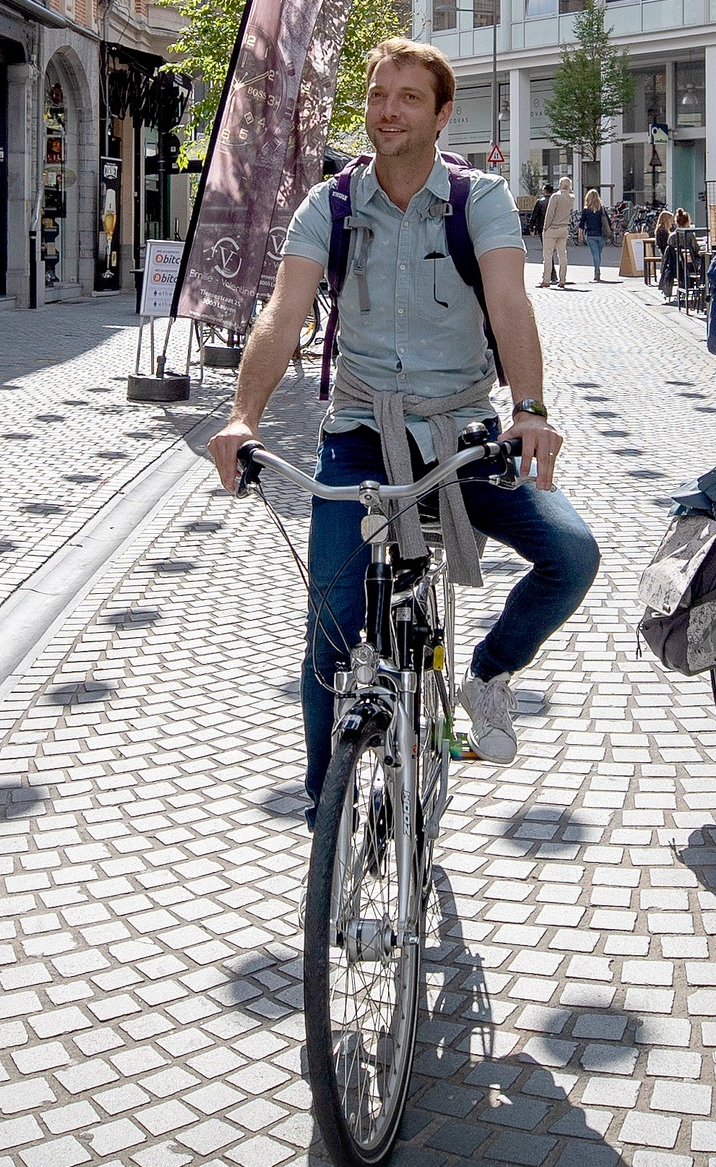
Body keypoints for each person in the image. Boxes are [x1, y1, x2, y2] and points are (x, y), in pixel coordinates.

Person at [211, 41, 598, 811]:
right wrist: (239, 417)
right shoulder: (333, 205)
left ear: (441, 113)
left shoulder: (477, 199)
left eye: (409, 97)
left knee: (570, 553)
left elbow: (509, 303)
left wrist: (530, 410)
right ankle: (331, 813)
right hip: (359, 432)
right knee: (332, 623)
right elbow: (285, 312)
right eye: (379, 95)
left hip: (461, 432)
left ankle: (486, 674)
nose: (389, 110)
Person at [540, 181, 570, 288]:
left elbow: (550, 213)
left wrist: (545, 227)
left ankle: (546, 280)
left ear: (560, 184)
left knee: (547, 255)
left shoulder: (555, 196)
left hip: (552, 228)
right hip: (564, 227)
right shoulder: (571, 197)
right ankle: (562, 280)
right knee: (562, 255)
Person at [577, 188, 608, 283]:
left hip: (590, 235)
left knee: (595, 254)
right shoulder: (602, 209)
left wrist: (580, 234)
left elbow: (581, 223)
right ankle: (597, 269)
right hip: (602, 235)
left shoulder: (586, 210)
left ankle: (597, 272)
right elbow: (608, 221)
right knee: (598, 253)